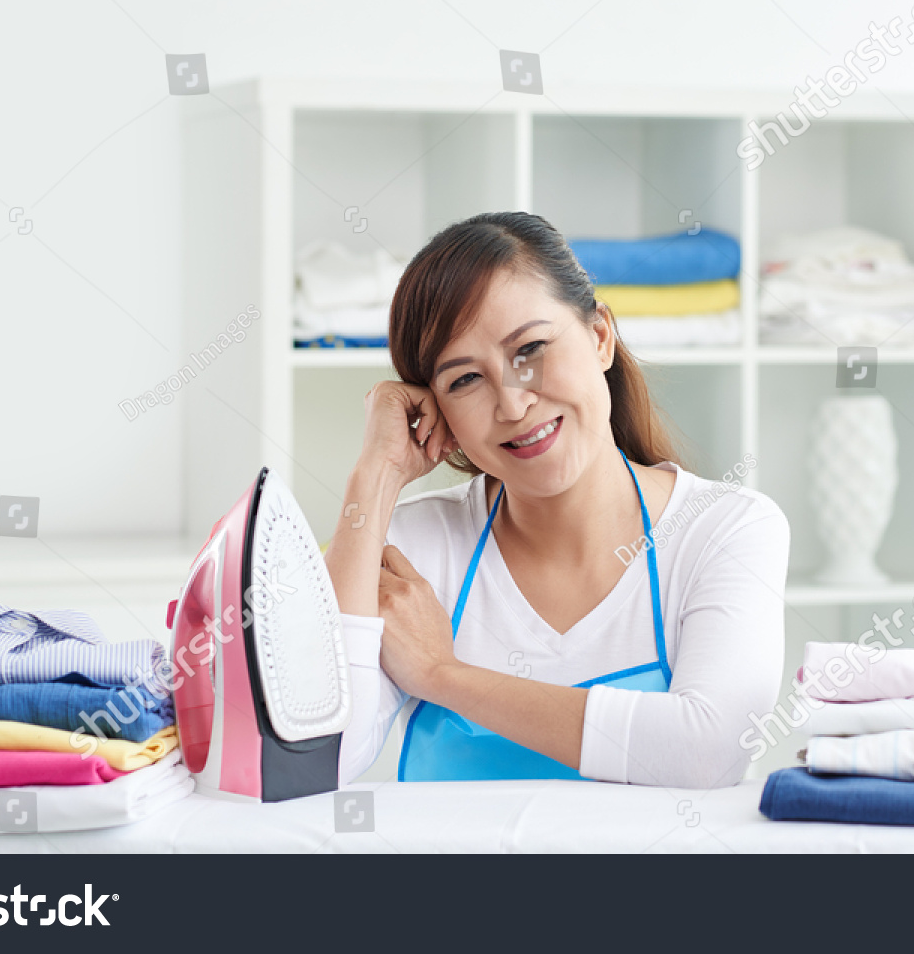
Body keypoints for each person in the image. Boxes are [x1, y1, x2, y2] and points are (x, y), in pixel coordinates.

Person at [323, 212, 788, 789]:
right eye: (465, 380)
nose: (513, 404)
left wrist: (443, 675)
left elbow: (707, 749)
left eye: (531, 348)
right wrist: (376, 473)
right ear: (438, 409)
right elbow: (319, 753)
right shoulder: (415, 547)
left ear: (600, 338)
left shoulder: (724, 529)